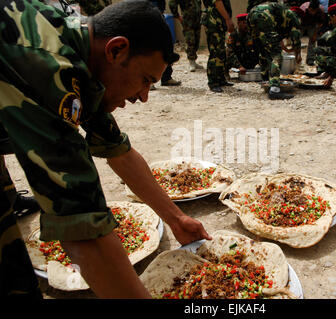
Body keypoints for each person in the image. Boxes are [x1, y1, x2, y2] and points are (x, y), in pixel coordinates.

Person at [0, 0, 211, 298]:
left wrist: (177, 219)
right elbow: (80, 225)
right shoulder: (47, 65)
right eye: (145, 80)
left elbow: (120, 153)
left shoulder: (83, 55)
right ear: (115, 50)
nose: (144, 96)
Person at [248, 3, 302, 100]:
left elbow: (276, 35)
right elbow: (296, 37)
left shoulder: (282, 13)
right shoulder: (295, 18)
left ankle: (266, 80)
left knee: (263, 50)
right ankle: (274, 89)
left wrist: (285, 47)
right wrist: (298, 54)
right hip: (265, 16)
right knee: (276, 54)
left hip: (252, 13)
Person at [201, 0, 235, 93]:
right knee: (215, 51)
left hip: (217, 20)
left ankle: (220, 79)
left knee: (220, 50)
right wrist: (228, 19)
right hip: (214, 20)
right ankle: (213, 82)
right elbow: (218, 2)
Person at [169, 0, 204, 72]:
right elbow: (172, 3)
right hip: (187, 20)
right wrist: (177, 16)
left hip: (197, 20)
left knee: (197, 40)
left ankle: (194, 60)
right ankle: (191, 61)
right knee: (190, 40)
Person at [292, 0, 327, 66]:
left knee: (312, 41)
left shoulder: (320, 11)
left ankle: (310, 60)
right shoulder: (303, 9)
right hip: (301, 25)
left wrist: (315, 34)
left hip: (312, 25)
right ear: (309, 8)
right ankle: (295, 58)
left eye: (314, 11)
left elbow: (319, 24)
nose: (312, 12)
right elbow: (297, 22)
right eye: (311, 10)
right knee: (296, 40)